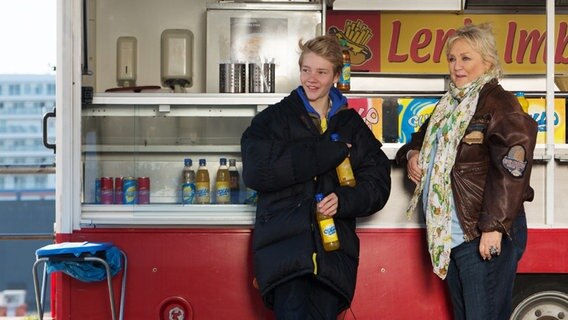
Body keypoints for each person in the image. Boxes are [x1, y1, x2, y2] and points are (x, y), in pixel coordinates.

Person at [241, 35, 391, 319]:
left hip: (333, 260)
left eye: (321, 72)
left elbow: (379, 183)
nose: (312, 79)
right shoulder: (273, 120)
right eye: (306, 70)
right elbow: (256, 171)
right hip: (286, 259)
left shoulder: (351, 125)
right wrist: (325, 154)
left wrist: (344, 201)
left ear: (336, 75)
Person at [395, 23, 537, 319]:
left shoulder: (500, 103)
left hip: (480, 232)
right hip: (453, 237)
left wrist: (493, 228)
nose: (456, 67)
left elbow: (513, 171)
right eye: (452, 59)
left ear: (488, 61)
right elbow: (415, 142)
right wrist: (412, 154)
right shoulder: (448, 106)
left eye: (466, 58)